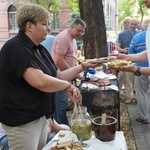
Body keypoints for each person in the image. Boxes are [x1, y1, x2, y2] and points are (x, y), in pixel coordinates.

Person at [0, 3, 102, 150]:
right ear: (29, 26)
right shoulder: (15, 48)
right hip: (22, 121)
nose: (48, 28)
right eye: (44, 24)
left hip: (40, 118)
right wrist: (67, 86)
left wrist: (83, 66)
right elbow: (40, 81)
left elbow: (58, 75)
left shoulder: (39, 49)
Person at [51, 19, 86, 125]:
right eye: (79, 31)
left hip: (66, 77)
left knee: (62, 103)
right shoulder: (64, 38)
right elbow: (59, 60)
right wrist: (74, 72)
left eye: (82, 32)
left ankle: (62, 127)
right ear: (72, 27)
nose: (80, 34)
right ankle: (62, 130)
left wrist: (75, 71)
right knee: (60, 105)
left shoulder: (72, 38)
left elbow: (70, 57)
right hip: (59, 78)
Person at [129, 19, 150, 124]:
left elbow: (131, 55)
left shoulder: (137, 37)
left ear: (142, 27)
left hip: (140, 70)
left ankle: (143, 116)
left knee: (141, 93)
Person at [116, 17, 139, 103]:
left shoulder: (138, 34)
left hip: (136, 58)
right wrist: (123, 50)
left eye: (135, 24)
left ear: (137, 25)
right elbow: (117, 46)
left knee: (132, 79)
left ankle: (131, 96)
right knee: (122, 78)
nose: (133, 26)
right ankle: (118, 94)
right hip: (124, 59)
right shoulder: (122, 34)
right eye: (131, 24)